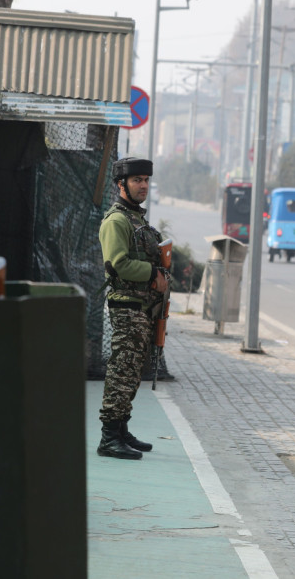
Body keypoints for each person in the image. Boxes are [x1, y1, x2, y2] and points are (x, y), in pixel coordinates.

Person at [98, 157, 169, 460]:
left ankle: (122, 428)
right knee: (121, 371)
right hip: (128, 307)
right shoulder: (117, 221)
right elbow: (118, 263)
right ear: (121, 184)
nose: (143, 185)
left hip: (143, 309)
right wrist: (153, 275)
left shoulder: (137, 219)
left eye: (146, 180)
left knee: (131, 373)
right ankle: (109, 437)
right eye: (137, 180)